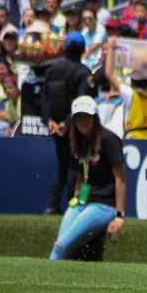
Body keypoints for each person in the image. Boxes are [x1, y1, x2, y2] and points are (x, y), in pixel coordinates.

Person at [49, 95, 126, 260]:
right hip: (83, 203)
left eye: (87, 116)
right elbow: (80, 174)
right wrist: (78, 196)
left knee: (61, 246)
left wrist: (119, 215)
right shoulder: (77, 140)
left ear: (95, 118)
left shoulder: (108, 139)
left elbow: (120, 179)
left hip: (104, 205)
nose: (83, 121)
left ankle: (45, 276)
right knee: (59, 245)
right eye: (78, 117)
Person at [41, 31, 97, 215]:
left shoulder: (52, 71)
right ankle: (73, 207)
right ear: (83, 49)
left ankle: (52, 205)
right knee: (77, 167)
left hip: (57, 127)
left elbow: (44, 99)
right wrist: (67, 123)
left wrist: (50, 121)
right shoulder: (83, 72)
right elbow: (82, 101)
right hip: (75, 127)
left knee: (63, 166)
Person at [104, 38, 147, 140]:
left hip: (133, 138)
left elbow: (109, 74)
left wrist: (110, 49)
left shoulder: (129, 94)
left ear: (133, 81)